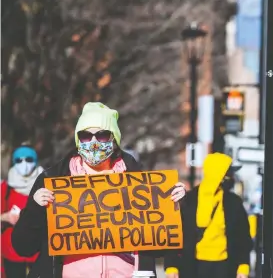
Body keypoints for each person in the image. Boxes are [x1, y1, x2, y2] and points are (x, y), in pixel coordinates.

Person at [11, 102, 186, 278]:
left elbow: (160, 248)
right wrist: (35, 209)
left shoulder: (137, 182)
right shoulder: (54, 180)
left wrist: (172, 206)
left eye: (102, 135)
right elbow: (23, 246)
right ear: (78, 140)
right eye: (86, 135)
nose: (93, 142)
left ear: (114, 139)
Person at [164, 153, 252, 278]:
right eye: (228, 173)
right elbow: (175, 234)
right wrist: (171, 266)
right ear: (220, 174)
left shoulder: (233, 202)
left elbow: (243, 237)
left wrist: (243, 267)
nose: (231, 177)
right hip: (192, 266)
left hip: (225, 267)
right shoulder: (189, 200)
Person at [1, 146, 43, 278]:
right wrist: (5, 217)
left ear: (35, 161)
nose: (24, 164)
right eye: (19, 160)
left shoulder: (44, 183)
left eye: (29, 159)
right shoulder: (6, 187)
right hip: (11, 248)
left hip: (38, 248)